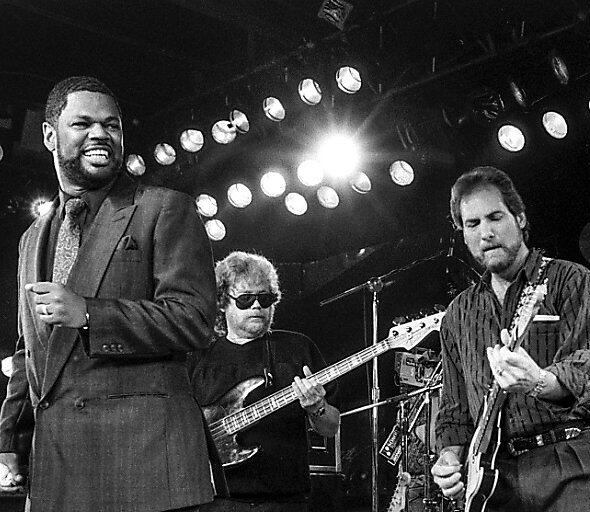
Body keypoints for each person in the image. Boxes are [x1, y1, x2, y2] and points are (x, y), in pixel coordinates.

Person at [0, 76, 222, 511]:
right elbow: (32, 350)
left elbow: (195, 318)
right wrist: (10, 437)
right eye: (82, 123)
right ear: (49, 135)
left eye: (112, 125)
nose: (100, 134)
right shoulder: (31, 238)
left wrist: (90, 314)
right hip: (57, 472)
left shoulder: (164, 207)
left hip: (144, 468)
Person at [430, 166, 590, 511]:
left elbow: (589, 368)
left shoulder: (570, 280)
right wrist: (448, 460)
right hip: (495, 479)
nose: (486, 232)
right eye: (473, 224)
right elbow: (455, 411)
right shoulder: (457, 314)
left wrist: (540, 381)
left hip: (571, 461)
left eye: (495, 217)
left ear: (519, 218)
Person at [188, 251, 340, 511]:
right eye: (246, 299)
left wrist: (317, 408)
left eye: (265, 298)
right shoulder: (198, 358)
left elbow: (331, 426)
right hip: (217, 501)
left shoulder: (298, 348)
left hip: (286, 501)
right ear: (223, 302)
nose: (257, 306)